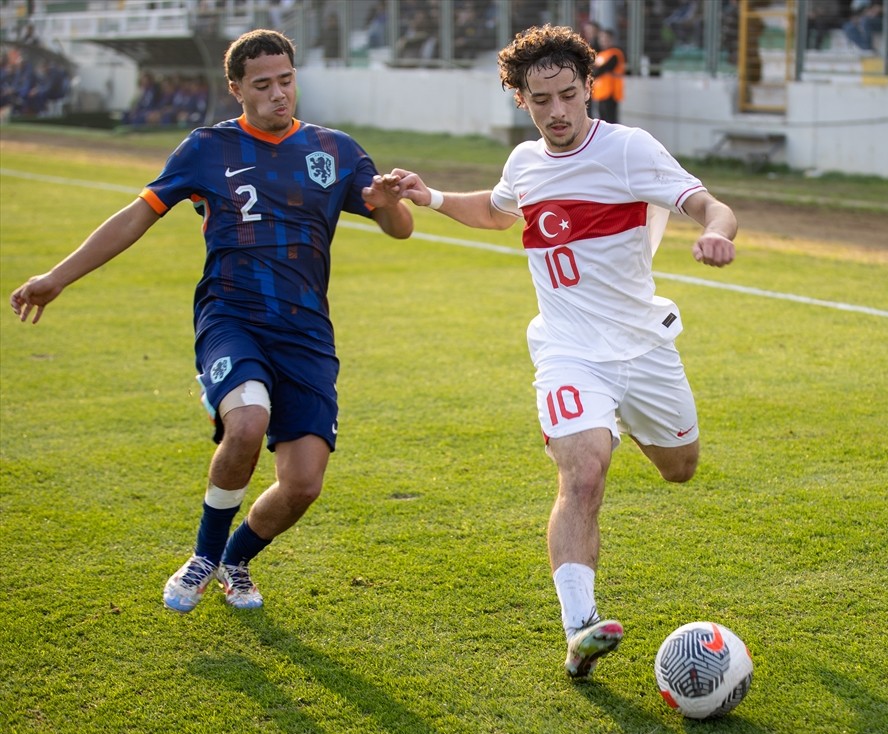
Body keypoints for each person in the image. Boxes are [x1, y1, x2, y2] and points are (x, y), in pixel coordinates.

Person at [8, 29, 415, 613]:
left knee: (303, 485)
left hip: (305, 331)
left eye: (286, 80)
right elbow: (136, 216)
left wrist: (388, 200)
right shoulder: (207, 148)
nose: (278, 94)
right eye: (262, 85)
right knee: (247, 423)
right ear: (236, 90)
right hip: (231, 315)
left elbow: (398, 229)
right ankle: (203, 556)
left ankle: (235, 559)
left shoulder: (336, 149)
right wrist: (58, 277)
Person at [393, 24, 738, 680]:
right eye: (541, 99)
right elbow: (497, 211)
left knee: (681, 468)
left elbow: (708, 205)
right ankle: (580, 628)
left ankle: (615, 421)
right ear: (521, 99)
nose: (556, 111)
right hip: (568, 349)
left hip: (643, 348)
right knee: (583, 473)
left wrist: (718, 233)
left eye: (568, 95)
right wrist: (430, 196)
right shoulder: (525, 162)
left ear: (588, 89)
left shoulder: (630, 150)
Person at [591, 28, 625, 123]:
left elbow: (601, 70)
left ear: (611, 40)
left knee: (610, 120)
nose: (603, 41)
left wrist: (592, 72)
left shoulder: (615, 54)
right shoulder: (601, 54)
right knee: (603, 119)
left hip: (611, 92)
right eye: (601, 39)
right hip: (601, 92)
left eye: (606, 39)